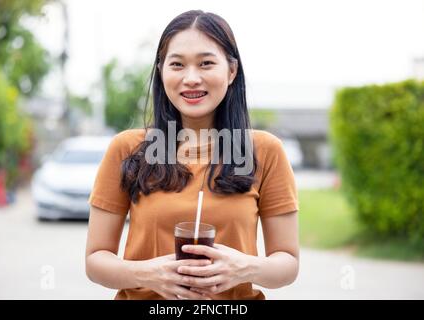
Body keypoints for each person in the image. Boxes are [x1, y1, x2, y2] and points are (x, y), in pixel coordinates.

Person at [85, 10, 299, 300]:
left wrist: (244, 268)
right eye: (177, 64)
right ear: (162, 71)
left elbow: (287, 264)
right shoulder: (127, 148)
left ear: (231, 70)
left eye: (206, 63)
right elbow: (96, 261)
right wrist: (149, 274)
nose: (191, 78)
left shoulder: (265, 151)